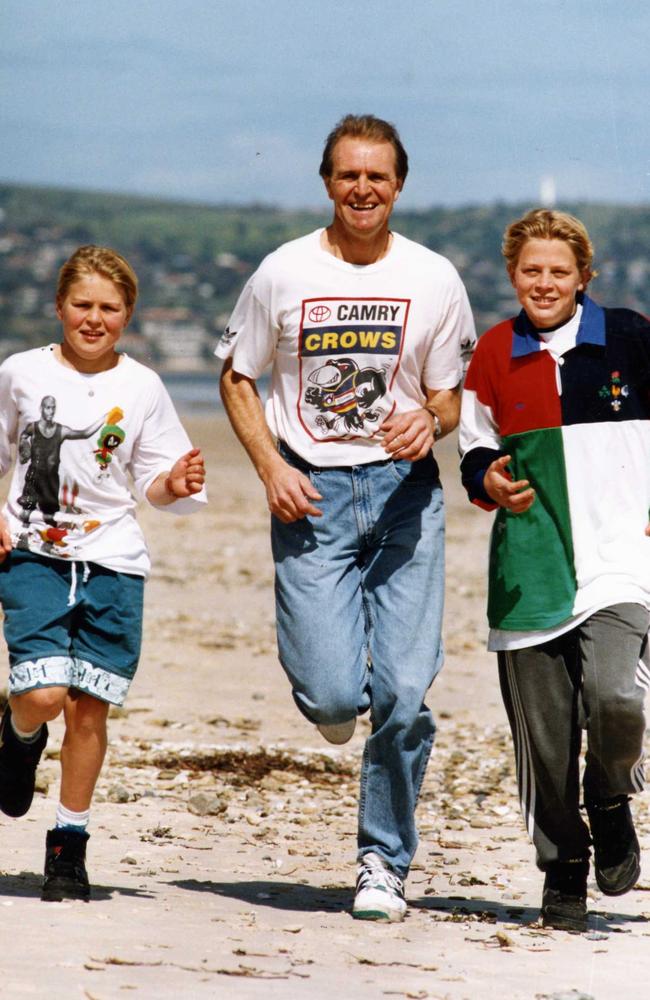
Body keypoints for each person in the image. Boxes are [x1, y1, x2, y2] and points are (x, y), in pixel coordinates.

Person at [217, 114, 475, 921]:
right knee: (332, 698)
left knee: (403, 689)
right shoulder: (282, 272)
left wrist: (428, 423)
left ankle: (381, 863)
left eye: (378, 176)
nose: (363, 189)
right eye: (348, 175)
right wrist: (271, 467)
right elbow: (236, 374)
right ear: (327, 182)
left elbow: (448, 395)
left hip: (404, 496)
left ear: (399, 185)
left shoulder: (433, 277)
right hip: (312, 500)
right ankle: (340, 705)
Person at [459, 208, 650, 932]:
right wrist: (490, 483)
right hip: (531, 565)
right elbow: (475, 449)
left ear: (584, 278)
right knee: (543, 743)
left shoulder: (631, 337)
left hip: (621, 560)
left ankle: (609, 797)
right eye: (531, 270)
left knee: (618, 700)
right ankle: (564, 865)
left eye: (558, 271)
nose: (544, 282)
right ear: (513, 275)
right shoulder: (494, 351)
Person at [0, 245, 206, 901]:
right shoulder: (20, 373)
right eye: (82, 305)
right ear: (59, 306)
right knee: (42, 694)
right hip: (32, 552)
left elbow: (155, 478)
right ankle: (16, 733)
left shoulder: (142, 386)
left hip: (113, 562)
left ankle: (69, 848)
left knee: (90, 710)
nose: (94, 319)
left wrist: (174, 482)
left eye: (109, 308)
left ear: (128, 314)